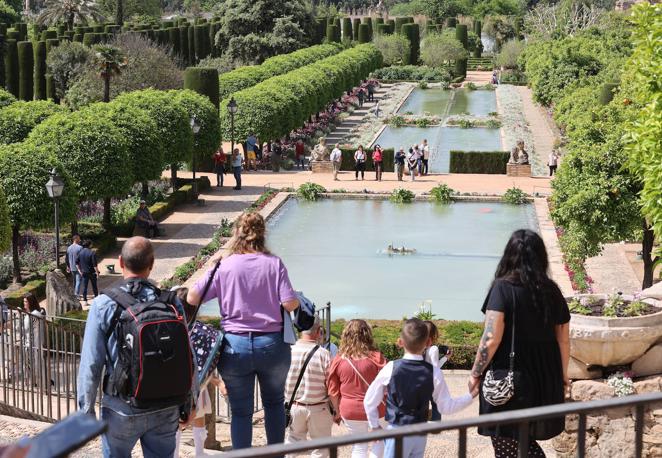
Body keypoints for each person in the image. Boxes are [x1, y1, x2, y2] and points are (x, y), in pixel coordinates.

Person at [186, 212, 300, 450]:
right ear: (263, 234)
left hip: (234, 345)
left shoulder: (225, 265)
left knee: (240, 412)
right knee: (274, 404)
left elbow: (192, 297)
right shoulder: (274, 263)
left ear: (236, 234)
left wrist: (215, 264)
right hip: (272, 344)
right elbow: (290, 303)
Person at [77, 237, 198, 458]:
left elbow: (91, 364)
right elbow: (189, 356)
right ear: (152, 264)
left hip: (121, 408)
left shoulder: (104, 305)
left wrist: (86, 414)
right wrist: (191, 402)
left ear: (121, 262)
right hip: (166, 405)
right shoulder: (171, 302)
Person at [468, 229, 570, 458]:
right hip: (545, 378)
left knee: (506, 443)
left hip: (510, 379)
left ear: (509, 255)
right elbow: (563, 339)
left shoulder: (502, 288)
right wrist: (562, 377)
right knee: (524, 441)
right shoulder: (552, 291)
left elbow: (491, 337)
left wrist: (475, 372)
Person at [364, 319, 475, 458]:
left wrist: (374, 426)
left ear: (400, 342)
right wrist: (471, 395)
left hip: (397, 430)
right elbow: (447, 407)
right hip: (420, 432)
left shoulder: (391, 368)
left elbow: (369, 401)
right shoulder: (434, 372)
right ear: (428, 342)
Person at [327, 319, 387, 458]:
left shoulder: (338, 360)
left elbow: (333, 390)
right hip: (377, 408)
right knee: (379, 442)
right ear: (367, 334)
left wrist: (337, 410)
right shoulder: (376, 357)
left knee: (359, 447)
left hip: (349, 409)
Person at [284, 317, 334, 458]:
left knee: (292, 441)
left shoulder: (289, 351)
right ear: (318, 331)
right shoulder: (324, 354)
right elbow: (330, 385)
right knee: (321, 447)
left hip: (294, 406)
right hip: (319, 407)